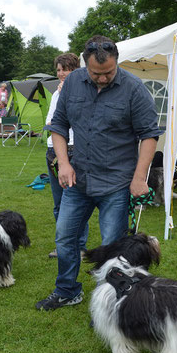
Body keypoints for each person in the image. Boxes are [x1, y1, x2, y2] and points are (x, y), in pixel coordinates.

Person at [36, 35, 163, 310]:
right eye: (96, 73)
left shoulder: (133, 88)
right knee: (65, 237)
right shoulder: (71, 83)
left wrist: (139, 178)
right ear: (85, 64)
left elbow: (149, 135)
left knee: (113, 248)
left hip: (116, 184)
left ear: (116, 62)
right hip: (78, 180)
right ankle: (67, 291)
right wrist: (64, 163)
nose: (103, 78)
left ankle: (112, 304)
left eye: (108, 73)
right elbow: (57, 126)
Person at [45, 53, 88, 258]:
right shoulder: (55, 94)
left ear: (76, 71)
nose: (61, 74)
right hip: (53, 150)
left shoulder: (82, 92)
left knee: (76, 202)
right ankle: (63, 245)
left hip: (73, 150)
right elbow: (50, 122)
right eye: (59, 70)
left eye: (65, 69)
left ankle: (78, 246)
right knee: (59, 203)